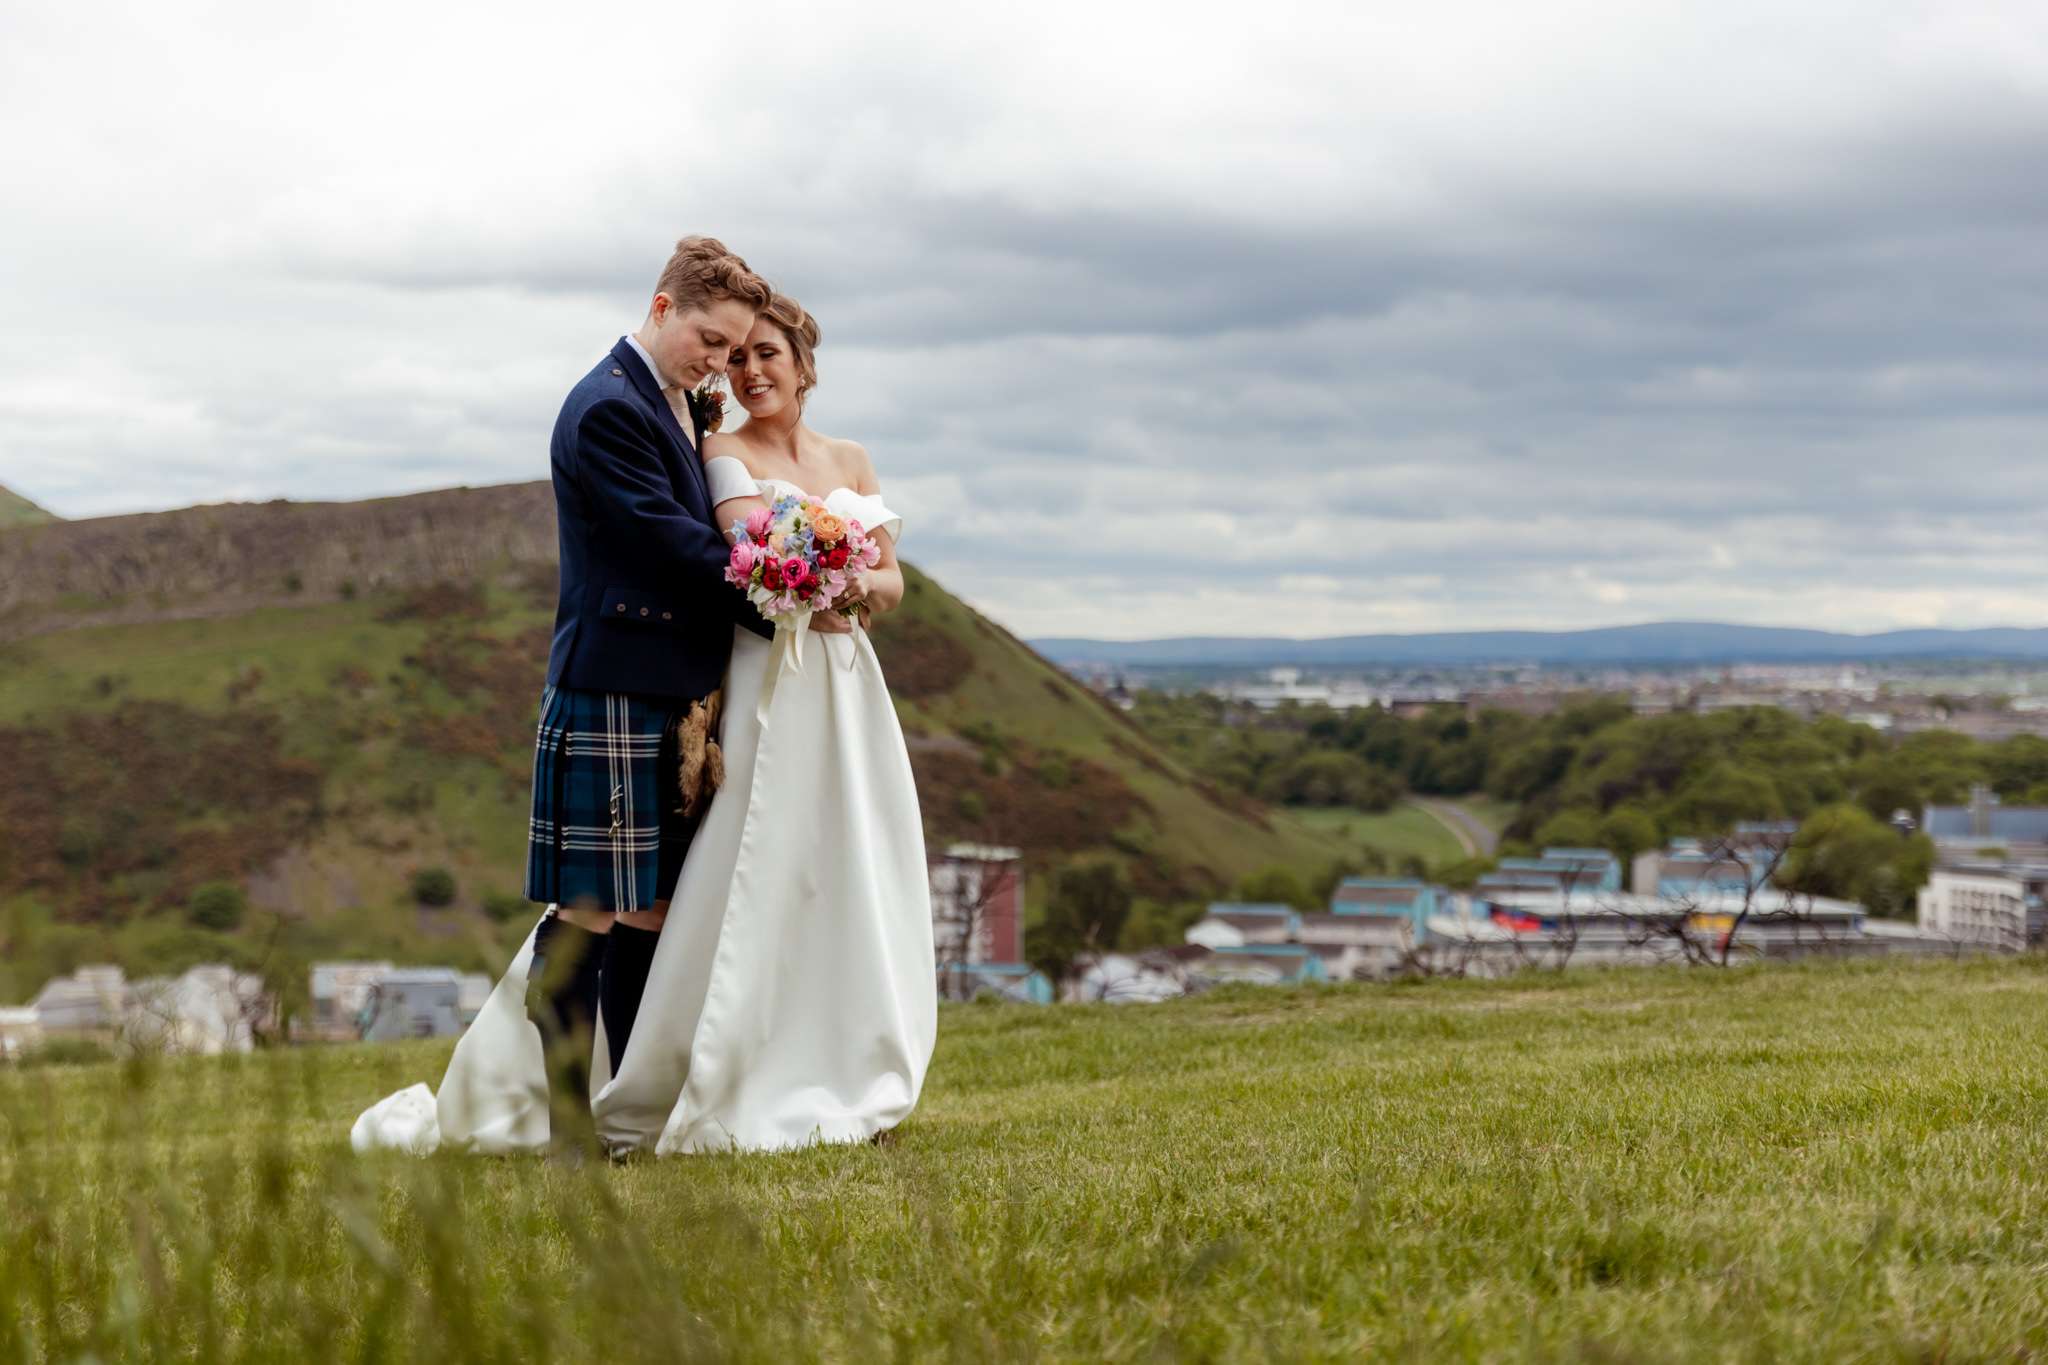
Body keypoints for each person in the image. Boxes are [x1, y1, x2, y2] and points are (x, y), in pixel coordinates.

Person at [352, 275, 936, 1159]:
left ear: (804, 363)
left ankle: (627, 1104)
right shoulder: (618, 413)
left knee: (655, 908)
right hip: (638, 683)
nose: (730, 368)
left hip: (726, 684)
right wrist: (790, 581)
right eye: (720, 347)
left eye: (749, 351)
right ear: (664, 308)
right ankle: (581, 1122)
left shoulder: (681, 410)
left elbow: (883, 574)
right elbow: (689, 544)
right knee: (603, 907)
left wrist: (833, 583)